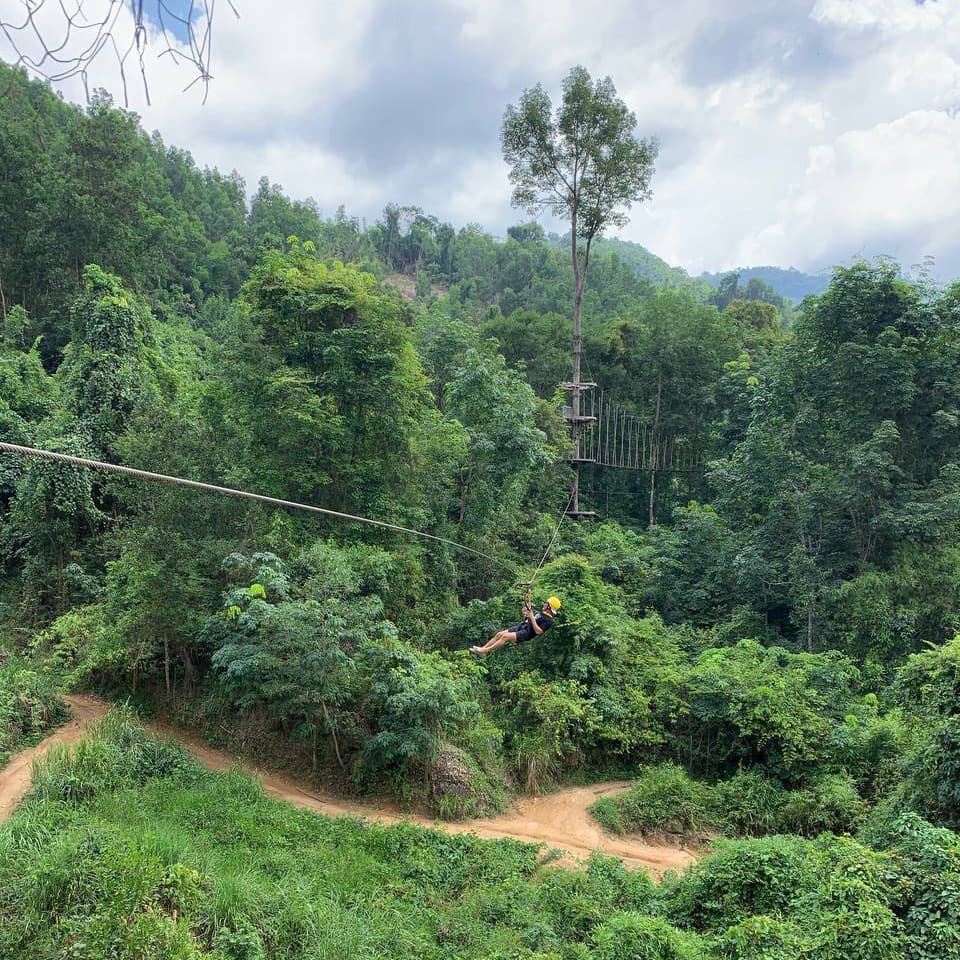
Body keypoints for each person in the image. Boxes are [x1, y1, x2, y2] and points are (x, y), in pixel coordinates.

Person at [470, 596, 561, 656]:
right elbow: (529, 619)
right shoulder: (542, 613)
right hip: (522, 626)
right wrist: (526, 613)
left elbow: (538, 631)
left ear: (549, 607)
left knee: (505, 637)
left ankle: (485, 651)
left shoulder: (549, 621)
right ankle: (483, 649)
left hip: (527, 633)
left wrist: (532, 617)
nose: (544, 604)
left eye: (546, 603)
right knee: (499, 634)